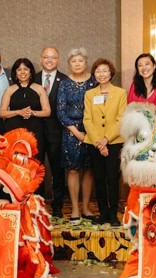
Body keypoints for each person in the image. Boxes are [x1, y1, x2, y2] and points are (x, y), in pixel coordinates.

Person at [83, 59, 126, 225]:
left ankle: (113, 213)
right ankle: (103, 212)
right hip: (94, 143)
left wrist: (106, 139)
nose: (101, 74)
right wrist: (99, 143)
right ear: (94, 74)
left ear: (111, 73)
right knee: (99, 178)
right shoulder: (90, 94)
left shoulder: (120, 93)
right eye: (98, 71)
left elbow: (121, 119)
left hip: (114, 142)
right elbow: (87, 120)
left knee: (112, 178)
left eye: (105, 71)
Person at [57, 48, 97, 223]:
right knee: (73, 169)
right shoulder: (64, 83)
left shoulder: (94, 82)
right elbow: (60, 110)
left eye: (80, 61)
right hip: (71, 131)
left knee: (89, 169)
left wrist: (89, 131)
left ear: (86, 62)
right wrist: (75, 131)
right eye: (74, 61)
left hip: (92, 129)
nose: (77, 64)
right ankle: (74, 208)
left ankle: (86, 207)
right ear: (69, 64)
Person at [33, 47, 68, 215]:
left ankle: (58, 206)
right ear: (41, 59)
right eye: (46, 57)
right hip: (36, 132)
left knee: (57, 171)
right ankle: (38, 205)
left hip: (57, 132)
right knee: (37, 169)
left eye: (53, 57)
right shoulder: (32, 78)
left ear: (58, 60)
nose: (49, 60)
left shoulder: (65, 80)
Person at [0, 58, 50, 141]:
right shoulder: (9, 90)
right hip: (14, 132)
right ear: (15, 73)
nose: (22, 72)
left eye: (26, 69)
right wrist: (19, 112)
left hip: (35, 132)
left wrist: (32, 113)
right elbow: (2, 112)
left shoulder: (40, 89)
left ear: (30, 72)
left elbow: (47, 112)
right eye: (19, 70)